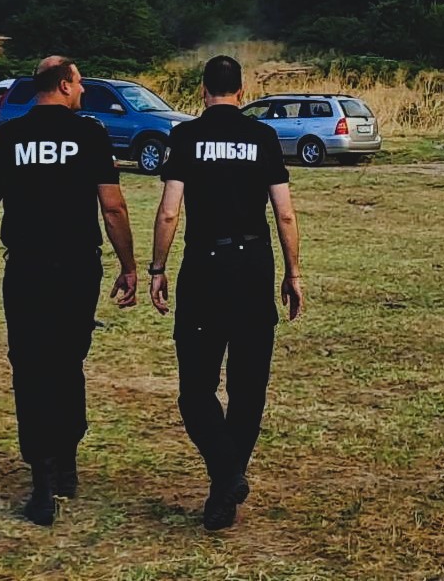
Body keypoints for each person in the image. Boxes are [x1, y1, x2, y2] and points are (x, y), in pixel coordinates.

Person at [0, 56, 138, 525]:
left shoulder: (10, 136)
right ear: (64, 85)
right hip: (78, 270)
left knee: (30, 367)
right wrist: (129, 266)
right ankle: (66, 461)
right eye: (79, 82)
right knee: (67, 362)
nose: (83, 89)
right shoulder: (90, 134)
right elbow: (114, 208)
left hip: (27, 270)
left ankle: (42, 480)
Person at [148, 54, 303, 531]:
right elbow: (285, 214)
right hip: (254, 264)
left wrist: (158, 268)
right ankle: (227, 483)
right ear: (242, 90)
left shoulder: (185, 136)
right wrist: (293, 273)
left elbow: (170, 212)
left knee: (196, 388)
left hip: (204, 266)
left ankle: (225, 477)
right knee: (248, 386)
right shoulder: (263, 137)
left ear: (203, 90)